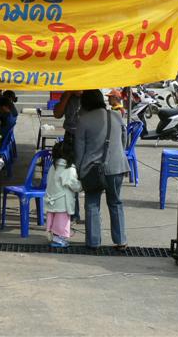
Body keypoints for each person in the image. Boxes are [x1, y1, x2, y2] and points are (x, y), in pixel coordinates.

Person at [75, 89, 129, 250]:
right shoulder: (116, 116)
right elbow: (124, 140)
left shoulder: (83, 120)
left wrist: (79, 170)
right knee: (115, 202)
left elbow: (79, 150)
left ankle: (93, 242)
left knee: (92, 203)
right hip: (117, 167)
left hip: (91, 168)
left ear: (85, 102)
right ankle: (121, 240)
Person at [44, 141, 82, 248]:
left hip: (52, 199)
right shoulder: (69, 169)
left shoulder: (53, 167)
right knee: (62, 222)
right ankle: (58, 240)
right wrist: (82, 185)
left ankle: (55, 237)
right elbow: (75, 185)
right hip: (62, 202)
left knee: (54, 220)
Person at [53, 90, 83, 222]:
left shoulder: (90, 94)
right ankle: (73, 212)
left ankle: (91, 213)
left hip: (85, 138)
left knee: (83, 175)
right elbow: (57, 114)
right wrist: (67, 95)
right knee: (69, 174)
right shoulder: (68, 95)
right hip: (70, 137)